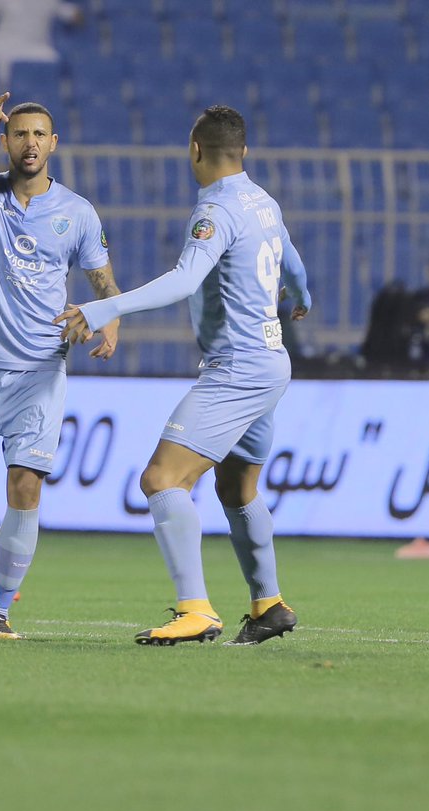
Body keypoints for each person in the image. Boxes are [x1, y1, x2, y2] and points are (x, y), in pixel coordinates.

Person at [58, 105, 312, 647]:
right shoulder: (263, 201)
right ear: (243, 152)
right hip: (271, 361)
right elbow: (293, 264)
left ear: (195, 151)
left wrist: (105, 309)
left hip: (238, 367)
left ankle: (197, 610)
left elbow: (183, 279)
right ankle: (269, 604)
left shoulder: (216, 211)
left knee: (161, 479)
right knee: (238, 486)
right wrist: (304, 298)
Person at [0, 92, 121, 639]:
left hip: (40, 369)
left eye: (39, 134)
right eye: (20, 133)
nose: (30, 142)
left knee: (25, 486)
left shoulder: (78, 212)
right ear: (5, 140)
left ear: (53, 144)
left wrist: (110, 320)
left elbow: (101, 280)